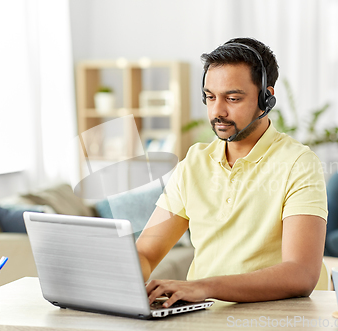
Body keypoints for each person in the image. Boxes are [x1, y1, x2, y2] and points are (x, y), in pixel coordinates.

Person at [136, 37, 328, 308]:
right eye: (210, 97)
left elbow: (301, 273)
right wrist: (109, 276)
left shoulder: (299, 163)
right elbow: (146, 252)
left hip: (274, 318)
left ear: (266, 97)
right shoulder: (194, 163)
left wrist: (203, 287)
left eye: (233, 98)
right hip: (204, 318)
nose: (217, 111)